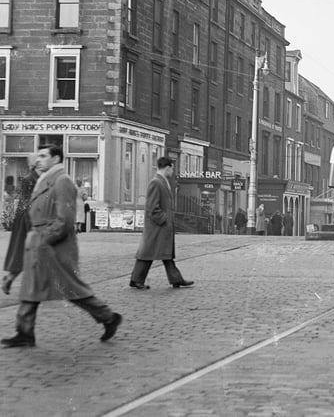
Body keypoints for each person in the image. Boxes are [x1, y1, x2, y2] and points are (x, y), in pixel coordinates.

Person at [1, 145, 121, 347]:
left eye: (43, 156)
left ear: (56, 159)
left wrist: (44, 239)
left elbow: (65, 220)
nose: (38, 160)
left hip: (53, 246)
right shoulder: (45, 179)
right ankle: (24, 332)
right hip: (39, 242)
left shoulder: (62, 181)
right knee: (31, 288)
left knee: (70, 288)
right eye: (37, 156)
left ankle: (108, 317)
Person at [129, 157, 193, 290]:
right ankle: (136, 280)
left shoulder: (162, 181)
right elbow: (152, 207)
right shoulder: (156, 182)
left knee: (165, 255)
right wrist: (164, 219)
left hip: (161, 227)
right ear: (167, 167)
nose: (173, 171)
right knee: (148, 254)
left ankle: (176, 279)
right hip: (157, 227)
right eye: (172, 168)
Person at [2, 155, 39, 295]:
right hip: (27, 220)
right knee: (26, 253)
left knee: (26, 254)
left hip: (31, 219)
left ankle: (10, 279)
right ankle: (11, 280)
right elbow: (24, 203)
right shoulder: (29, 179)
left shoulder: (39, 178)